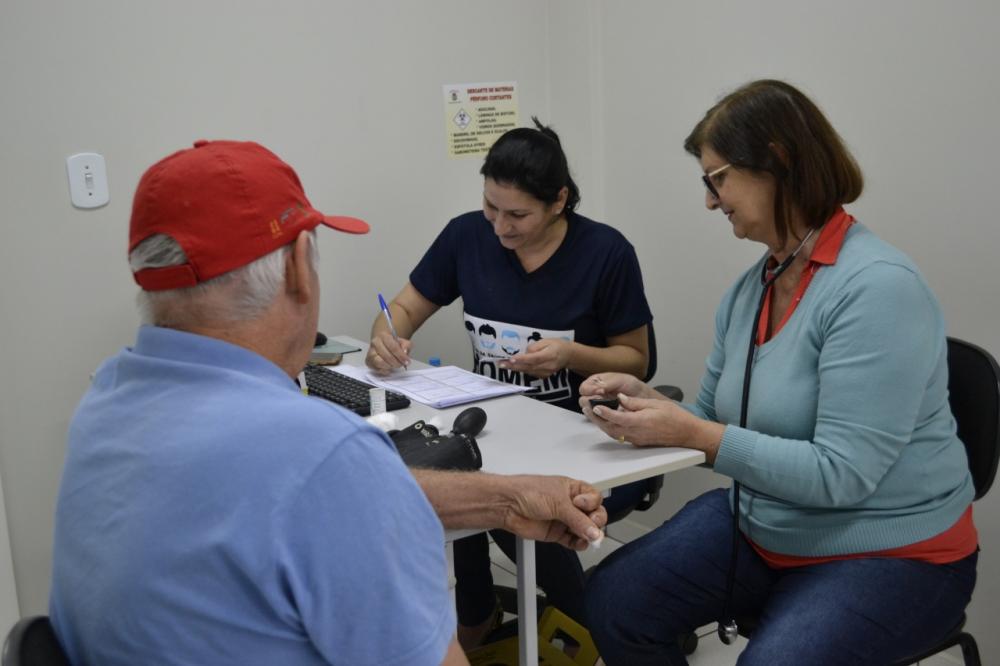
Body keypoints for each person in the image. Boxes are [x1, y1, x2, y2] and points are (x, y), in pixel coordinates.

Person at [48, 139, 607, 666]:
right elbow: (334, 486)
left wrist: (506, 499)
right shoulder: (321, 456)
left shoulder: (107, 399)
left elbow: (324, 492)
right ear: (298, 267)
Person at [579, 80, 978, 665]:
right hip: (768, 525)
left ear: (777, 160)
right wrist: (645, 406)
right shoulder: (752, 289)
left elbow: (842, 475)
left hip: (895, 550)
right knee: (614, 602)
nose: (711, 202)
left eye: (717, 179)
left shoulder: (878, 289)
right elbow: (711, 417)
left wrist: (695, 433)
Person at [366, 118, 654, 646]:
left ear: (559, 200)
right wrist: (385, 336)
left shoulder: (606, 253)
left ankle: (600, 630)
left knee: (505, 505)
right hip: (498, 424)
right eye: (490, 206)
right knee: (448, 479)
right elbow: (403, 307)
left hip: (583, 432)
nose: (500, 226)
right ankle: (476, 617)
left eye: (517, 214)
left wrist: (570, 356)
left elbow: (637, 361)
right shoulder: (466, 236)